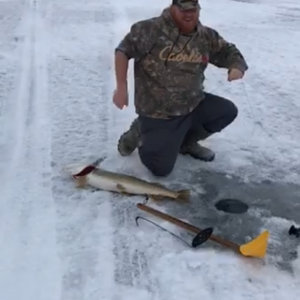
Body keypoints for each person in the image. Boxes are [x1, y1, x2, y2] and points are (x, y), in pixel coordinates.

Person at [112, 0, 248, 177]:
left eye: (193, 9)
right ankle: (140, 132)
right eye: (183, 9)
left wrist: (236, 66)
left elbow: (229, 51)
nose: (189, 14)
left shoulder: (205, 36)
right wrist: (121, 87)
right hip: (158, 112)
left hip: (193, 104)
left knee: (226, 111)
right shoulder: (148, 30)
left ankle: (185, 143)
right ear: (172, 8)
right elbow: (123, 51)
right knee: (160, 169)